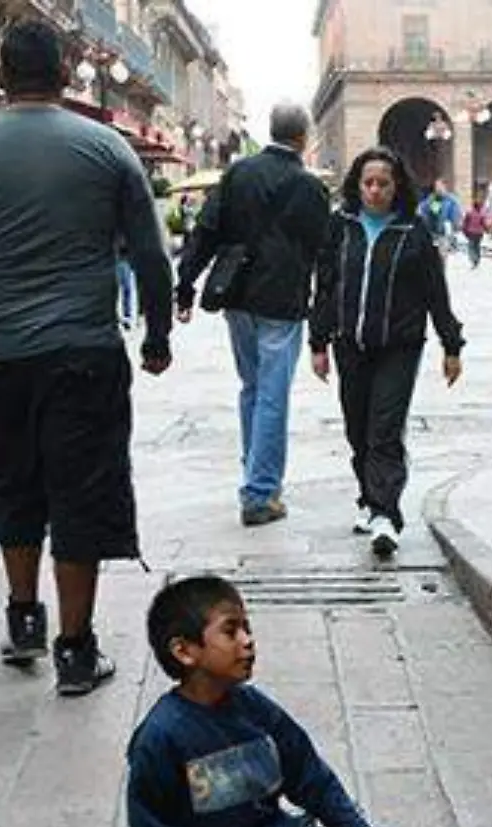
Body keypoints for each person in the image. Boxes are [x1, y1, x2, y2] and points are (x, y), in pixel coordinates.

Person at [0, 19, 174, 696]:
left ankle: (24, 617)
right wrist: (156, 337)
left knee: (15, 484)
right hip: (87, 352)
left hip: (4, 356)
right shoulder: (107, 149)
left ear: (0, 77)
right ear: (64, 75)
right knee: (81, 496)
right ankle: (75, 650)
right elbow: (151, 254)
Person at [129, 575, 398, 827]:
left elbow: (307, 772)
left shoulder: (254, 708)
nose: (248, 641)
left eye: (247, 627)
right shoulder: (161, 736)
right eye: (230, 630)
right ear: (185, 651)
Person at [177, 104, 331, 527]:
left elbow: (205, 230)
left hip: (238, 295)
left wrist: (185, 284)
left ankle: (256, 475)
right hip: (281, 302)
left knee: (252, 387)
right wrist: (324, 322)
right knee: (272, 393)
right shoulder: (309, 187)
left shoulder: (238, 174)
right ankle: (260, 493)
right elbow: (326, 256)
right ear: (303, 137)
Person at [308, 147, 466, 560]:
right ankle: (369, 497)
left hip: (399, 346)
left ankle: (386, 515)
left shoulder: (411, 233)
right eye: (368, 183)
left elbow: (436, 293)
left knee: (384, 430)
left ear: (397, 188)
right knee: (357, 430)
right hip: (350, 346)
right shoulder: (340, 228)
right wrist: (318, 343)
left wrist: (452, 345)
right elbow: (325, 287)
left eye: (384, 183)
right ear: (356, 186)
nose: (375, 191)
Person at [419, 179, 461, 251]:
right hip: (432, 231)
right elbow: (424, 212)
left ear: (445, 187)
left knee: (442, 250)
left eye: (440, 186)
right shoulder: (432, 199)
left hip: (446, 230)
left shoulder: (451, 200)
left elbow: (455, 214)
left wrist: (455, 225)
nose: (438, 189)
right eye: (436, 187)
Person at [460, 197, 488, 269]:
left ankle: (473, 259)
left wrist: (464, 230)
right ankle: (477, 259)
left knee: (471, 247)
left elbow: (465, 223)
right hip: (479, 233)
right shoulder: (482, 214)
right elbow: (484, 224)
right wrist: (486, 230)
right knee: (477, 246)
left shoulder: (469, 213)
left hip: (471, 232)